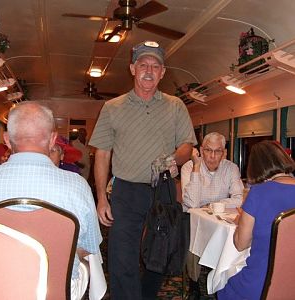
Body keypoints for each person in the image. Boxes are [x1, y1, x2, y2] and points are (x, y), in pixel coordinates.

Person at [89, 40, 196, 300]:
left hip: (164, 189)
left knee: (161, 251)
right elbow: (102, 154)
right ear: (132, 69)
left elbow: (187, 146)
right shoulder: (112, 107)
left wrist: (174, 158)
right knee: (121, 254)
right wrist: (102, 197)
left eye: (155, 66)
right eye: (143, 65)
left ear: (162, 72)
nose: (149, 70)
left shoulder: (175, 106)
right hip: (126, 190)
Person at [0, 102, 102, 300]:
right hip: (55, 291)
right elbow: (89, 246)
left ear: (7, 140)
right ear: (53, 140)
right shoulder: (77, 186)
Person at [217, 140, 295, 299]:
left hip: (262, 284)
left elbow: (240, 244)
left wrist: (241, 221)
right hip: (290, 282)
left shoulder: (258, 193)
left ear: (256, 167)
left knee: (224, 287)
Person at [181, 132, 243, 299]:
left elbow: (239, 198)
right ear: (201, 150)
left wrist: (212, 205)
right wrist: (195, 167)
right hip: (193, 219)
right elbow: (192, 204)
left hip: (218, 219)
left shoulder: (231, 168)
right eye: (208, 150)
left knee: (232, 235)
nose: (212, 156)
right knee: (193, 232)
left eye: (218, 151)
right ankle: (194, 284)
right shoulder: (189, 167)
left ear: (224, 152)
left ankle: (220, 280)